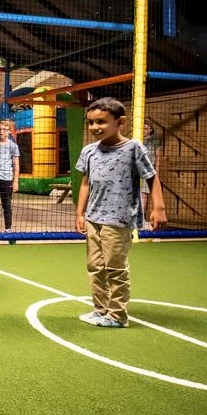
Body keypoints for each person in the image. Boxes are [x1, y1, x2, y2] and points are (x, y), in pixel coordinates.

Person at [75, 97, 167, 328]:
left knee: (115, 267)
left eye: (101, 122)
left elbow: (151, 177)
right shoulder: (89, 151)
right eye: (91, 122)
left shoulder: (134, 148)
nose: (95, 127)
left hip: (118, 218)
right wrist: (80, 213)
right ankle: (101, 309)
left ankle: (117, 315)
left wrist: (159, 208)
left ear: (120, 122)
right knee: (95, 266)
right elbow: (85, 182)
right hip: (93, 218)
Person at [140, 123, 162, 229]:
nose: (144, 130)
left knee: (144, 195)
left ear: (151, 130)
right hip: (136, 172)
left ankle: (141, 219)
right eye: (143, 128)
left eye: (146, 128)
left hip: (147, 171)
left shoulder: (155, 141)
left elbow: (158, 156)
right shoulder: (136, 139)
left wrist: (156, 171)